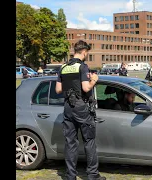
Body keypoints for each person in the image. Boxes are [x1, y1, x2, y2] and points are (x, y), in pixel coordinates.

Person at [55, 40, 106, 180]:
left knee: (70, 143)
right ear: (84, 52)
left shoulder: (63, 67)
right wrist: (94, 79)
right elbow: (85, 88)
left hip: (67, 108)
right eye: (87, 54)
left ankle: (70, 176)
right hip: (81, 107)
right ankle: (93, 175)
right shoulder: (82, 67)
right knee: (89, 141)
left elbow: (58, 89)